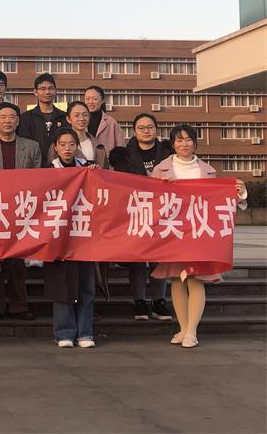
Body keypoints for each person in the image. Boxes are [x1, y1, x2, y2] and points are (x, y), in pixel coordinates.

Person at [150, 124, 247, 348]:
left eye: (188, 139)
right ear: (172, 144)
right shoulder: (161, 169)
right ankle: (183, 328)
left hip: (199, 232)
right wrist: (162, 188)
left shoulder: (207, 170)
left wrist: (239, 192)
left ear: (195, 143)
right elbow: (150, 199)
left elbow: (218, 199)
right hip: (173, 232)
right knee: (177, 279)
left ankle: (192, 331)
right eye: (179, 140)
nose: (184, 144)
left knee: (196, 278)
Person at [0, 102, 41, 321]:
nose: (7, 121)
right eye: (3, 117)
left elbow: (38, 178)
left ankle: (19, 306)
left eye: (12, 117)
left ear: (18, 121)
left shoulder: (32, 146)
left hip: (21, 208)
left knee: (17, 262)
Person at [44, 128, 99, 348]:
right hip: (58, 236)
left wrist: (98, 174)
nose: (67, 148)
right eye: (63, 144)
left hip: (84, 235)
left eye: (71, 144)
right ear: (55, 147)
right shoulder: (47, 170)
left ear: (77, 146)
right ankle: (64, 333)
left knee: (86, 286)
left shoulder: (88, 168)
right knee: (61, 286)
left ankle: (85, 333)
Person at [117, 113, 175, 321]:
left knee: (160, 257)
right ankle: (139, 301)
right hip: (136, 211)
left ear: (156, 129)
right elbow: (119, 181)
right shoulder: (122, 155)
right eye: (141, 128)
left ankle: (159, 300)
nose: (146, 131)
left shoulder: (169, 152)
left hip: (163, 210)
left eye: (150, 127)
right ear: (134, 131)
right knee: (138, 258)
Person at [17, 73, 68, 166]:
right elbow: (25, 145)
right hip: (34, 166)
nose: (47, 92)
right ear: (35, 92)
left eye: (51, 88)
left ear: (56, 91)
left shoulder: (64, 117)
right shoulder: (26, 118)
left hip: (60, 167)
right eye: (43, 89)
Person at [49, 100, 108, 168]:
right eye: (76, 115)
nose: (81, 118)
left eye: (85, 115)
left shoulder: (99, 146)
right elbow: (50, 169)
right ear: (68, 119)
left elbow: (105, 171)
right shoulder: (58, 143)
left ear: (89, 117)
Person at [84, 85, 126, 152]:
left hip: (106, 158)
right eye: (87, 99)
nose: (90, 102)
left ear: (102, 100)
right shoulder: (80, 121)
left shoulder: (111, 122)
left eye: (95, 99)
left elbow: (121, 148)